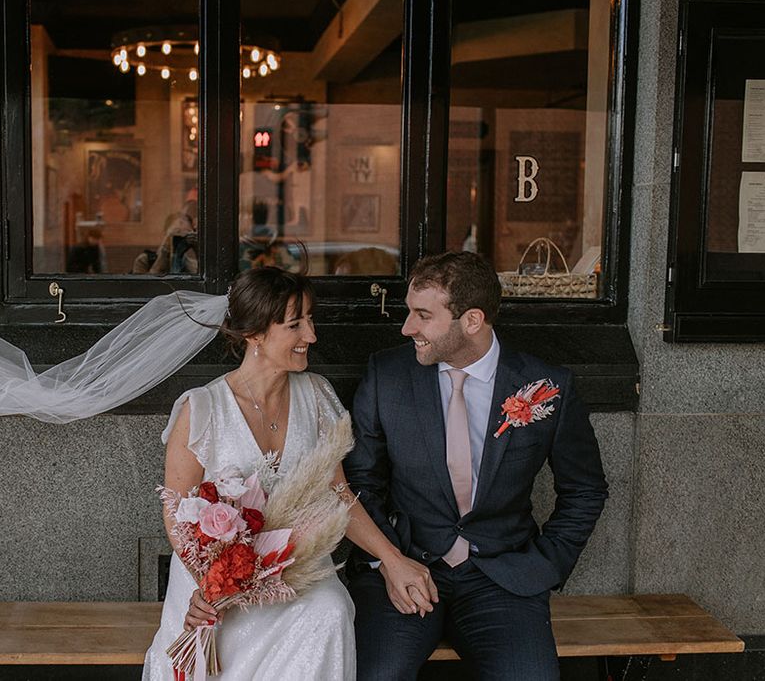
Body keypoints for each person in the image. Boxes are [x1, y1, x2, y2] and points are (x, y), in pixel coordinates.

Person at [144, 266, 425, 681]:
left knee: (329, 610)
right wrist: (214, 583)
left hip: (297, 575)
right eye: (295, 325)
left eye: (310, 320)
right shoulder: (201, 410)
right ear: (255, 334)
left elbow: (339, 497)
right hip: (218, 585)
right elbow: (176, 518)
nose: (310, 336)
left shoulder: (317, 396)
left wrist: (393, 559)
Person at [344, 251, 608, 680]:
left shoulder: (546, 387)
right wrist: (390, 560)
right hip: (406, 566)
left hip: (504, 577)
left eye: (422, 315)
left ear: (471, 320)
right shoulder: (386, 375)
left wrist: (546, 564)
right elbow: (359, 482)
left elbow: (585, 490)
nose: (407, 327)